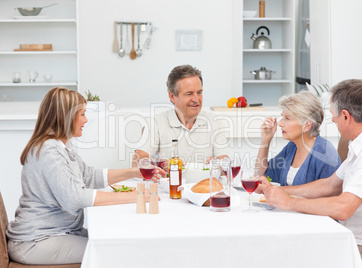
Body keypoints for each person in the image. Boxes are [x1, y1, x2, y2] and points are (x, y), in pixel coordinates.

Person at [6, 87, 164, 265]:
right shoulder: (48, 151)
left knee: (117, 241)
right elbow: (74, 198)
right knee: (115, 251)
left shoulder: (61, 146)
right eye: (82, 114)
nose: (86, 120)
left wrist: (134, 172)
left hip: (55, 233)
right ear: (65, 117)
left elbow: (89, 176)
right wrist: (135, 196)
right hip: (35, 241)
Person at [257, 79, 362, 268]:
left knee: (293, 256)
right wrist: (281, 191)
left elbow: (343, 207)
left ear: (346, 116)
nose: (332, 122)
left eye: (333, 118)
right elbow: (330, 185)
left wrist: (289, 201)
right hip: (353, 240)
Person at [132, 64, 228, 167]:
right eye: (189, 94)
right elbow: (136, 162)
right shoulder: (157, 122)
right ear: (172, 97)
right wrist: (163, 165)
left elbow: (225, 162)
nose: (196, 99)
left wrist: (219, 164)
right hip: (171, 183)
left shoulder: (215, 121)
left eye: (199, 92)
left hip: (205, 182)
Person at [255, 91, 341, 186]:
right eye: (282, 116)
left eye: (287, 118)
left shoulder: (325, 152)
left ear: (307, 125)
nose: (280, 124)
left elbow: (330, 195)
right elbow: (260, 176)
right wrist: (265, 140)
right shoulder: (292, 147)